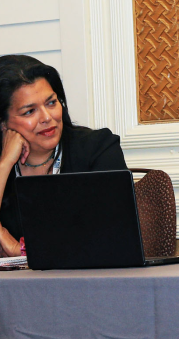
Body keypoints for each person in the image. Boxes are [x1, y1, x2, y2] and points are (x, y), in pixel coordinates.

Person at [0, 55, 128, 257]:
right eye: (29, 111)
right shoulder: (2, 166)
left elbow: (112, 234)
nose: (47, 117)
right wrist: (5, 164)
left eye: (51, 103)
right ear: (3, 123)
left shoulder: (97, 149)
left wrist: (20, 249)